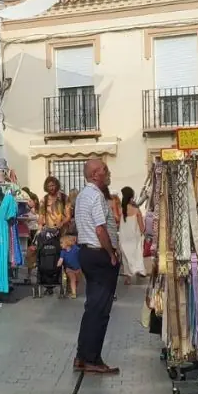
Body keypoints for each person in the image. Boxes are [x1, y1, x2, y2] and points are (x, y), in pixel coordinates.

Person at [73, 158, 121, 375]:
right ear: (94, 175)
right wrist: (111, 254)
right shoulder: (96, 196)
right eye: (104, 169)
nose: (108, 172)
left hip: (86, 253)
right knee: (100, 310)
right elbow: (100, 229)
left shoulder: (83, 195)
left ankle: (82, 356)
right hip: (98, 254)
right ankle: (92, 358)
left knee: (92, 307)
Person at [118, 186, 147, 284]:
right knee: (137, 254)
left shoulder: (120, 210)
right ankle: (139, 270)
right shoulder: (136, 210)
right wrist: (144, 233)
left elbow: (117, 221)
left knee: (126, 257)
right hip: (135, 237)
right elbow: (141, 226)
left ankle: (128, 277)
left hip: (124, 237)